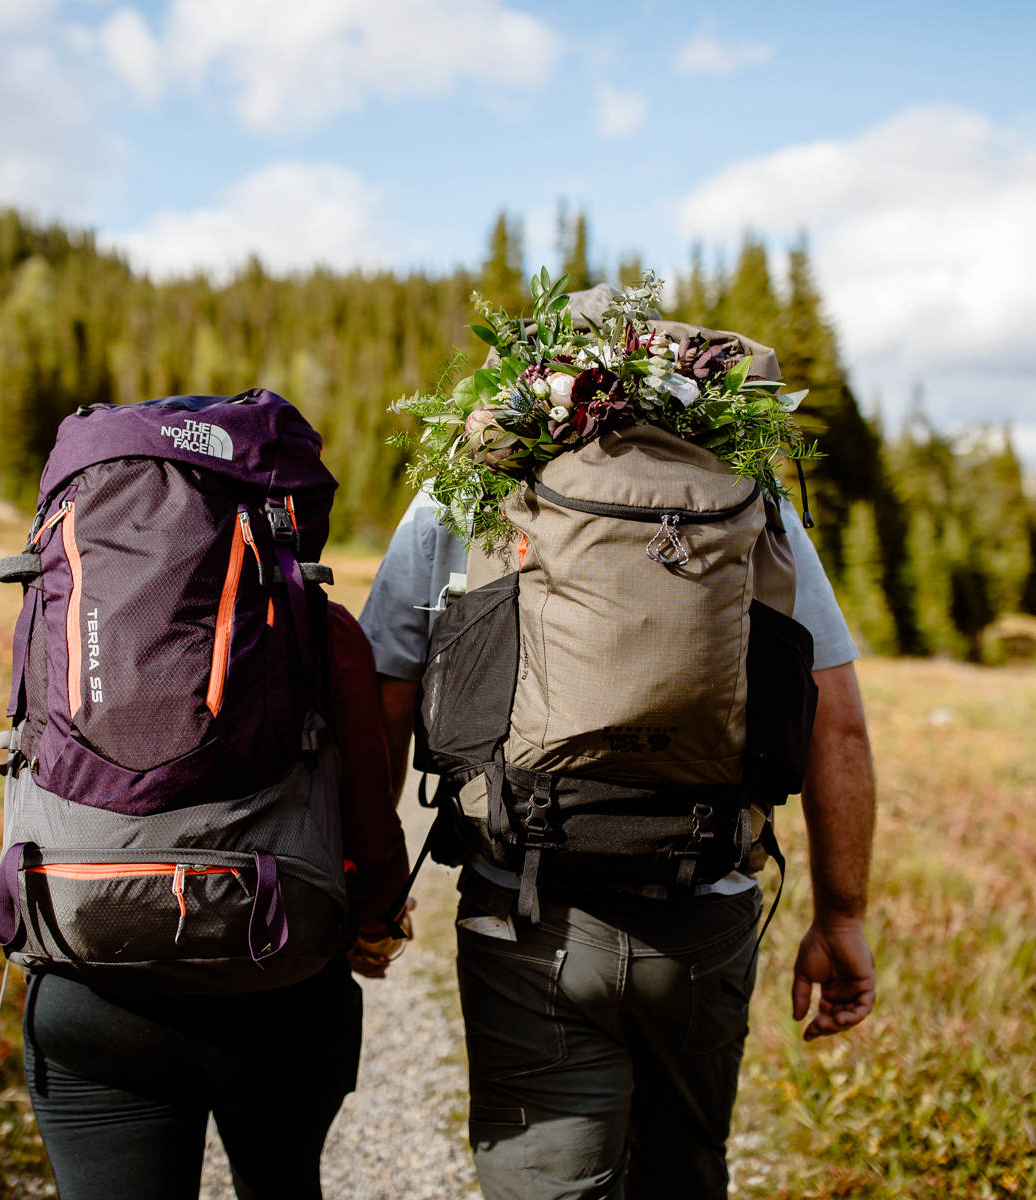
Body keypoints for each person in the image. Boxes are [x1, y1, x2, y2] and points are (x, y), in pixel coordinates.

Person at [360, 482, 878, 1199]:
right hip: (704, 906)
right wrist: (841, 915)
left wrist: (375, 896)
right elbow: (838, 723)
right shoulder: (747, 493)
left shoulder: (465, 485)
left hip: (526, 911)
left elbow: (384, 695)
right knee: (682, 1171)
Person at [22, 601, 412, 1200]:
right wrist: (378, 919)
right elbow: (370, 813)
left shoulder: (62, 604)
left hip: (92, 990)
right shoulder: (317, 621)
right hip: (281, 994)